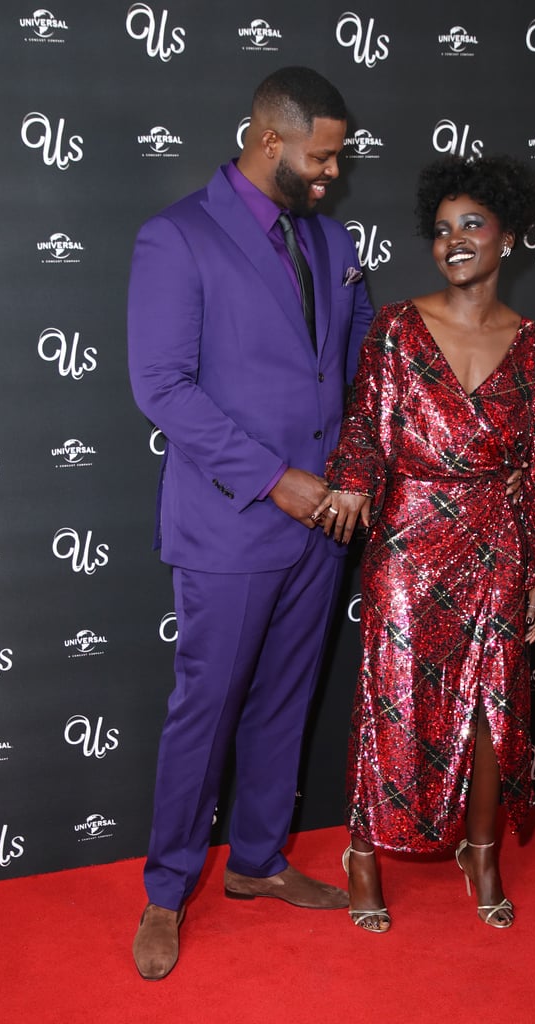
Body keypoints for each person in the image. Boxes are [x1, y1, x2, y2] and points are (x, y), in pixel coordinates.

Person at [126, 67, 375, 980]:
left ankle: (261, 864)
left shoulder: (332, 236)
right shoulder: (177, 238)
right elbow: (162, 388)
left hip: (323, 526)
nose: (332, 174)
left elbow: (353, 367)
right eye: (321, 156)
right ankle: (166, 889)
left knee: (284, 702)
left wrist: (346, 479)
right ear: (271, 140)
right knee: (209, 709)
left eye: (337, 159)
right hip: (234, 522)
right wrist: (278, 481)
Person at [313, 154, 535, 932]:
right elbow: (365, 425)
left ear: (509, 237)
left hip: (496, 539)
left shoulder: (530, 345)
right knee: (393, 698)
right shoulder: (396, 325)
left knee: (495, 707)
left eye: (472, 225)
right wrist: (354, 482)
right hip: (409, 537)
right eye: (441, 229)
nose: (455, 241)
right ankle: (364, 852)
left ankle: (482, 850)